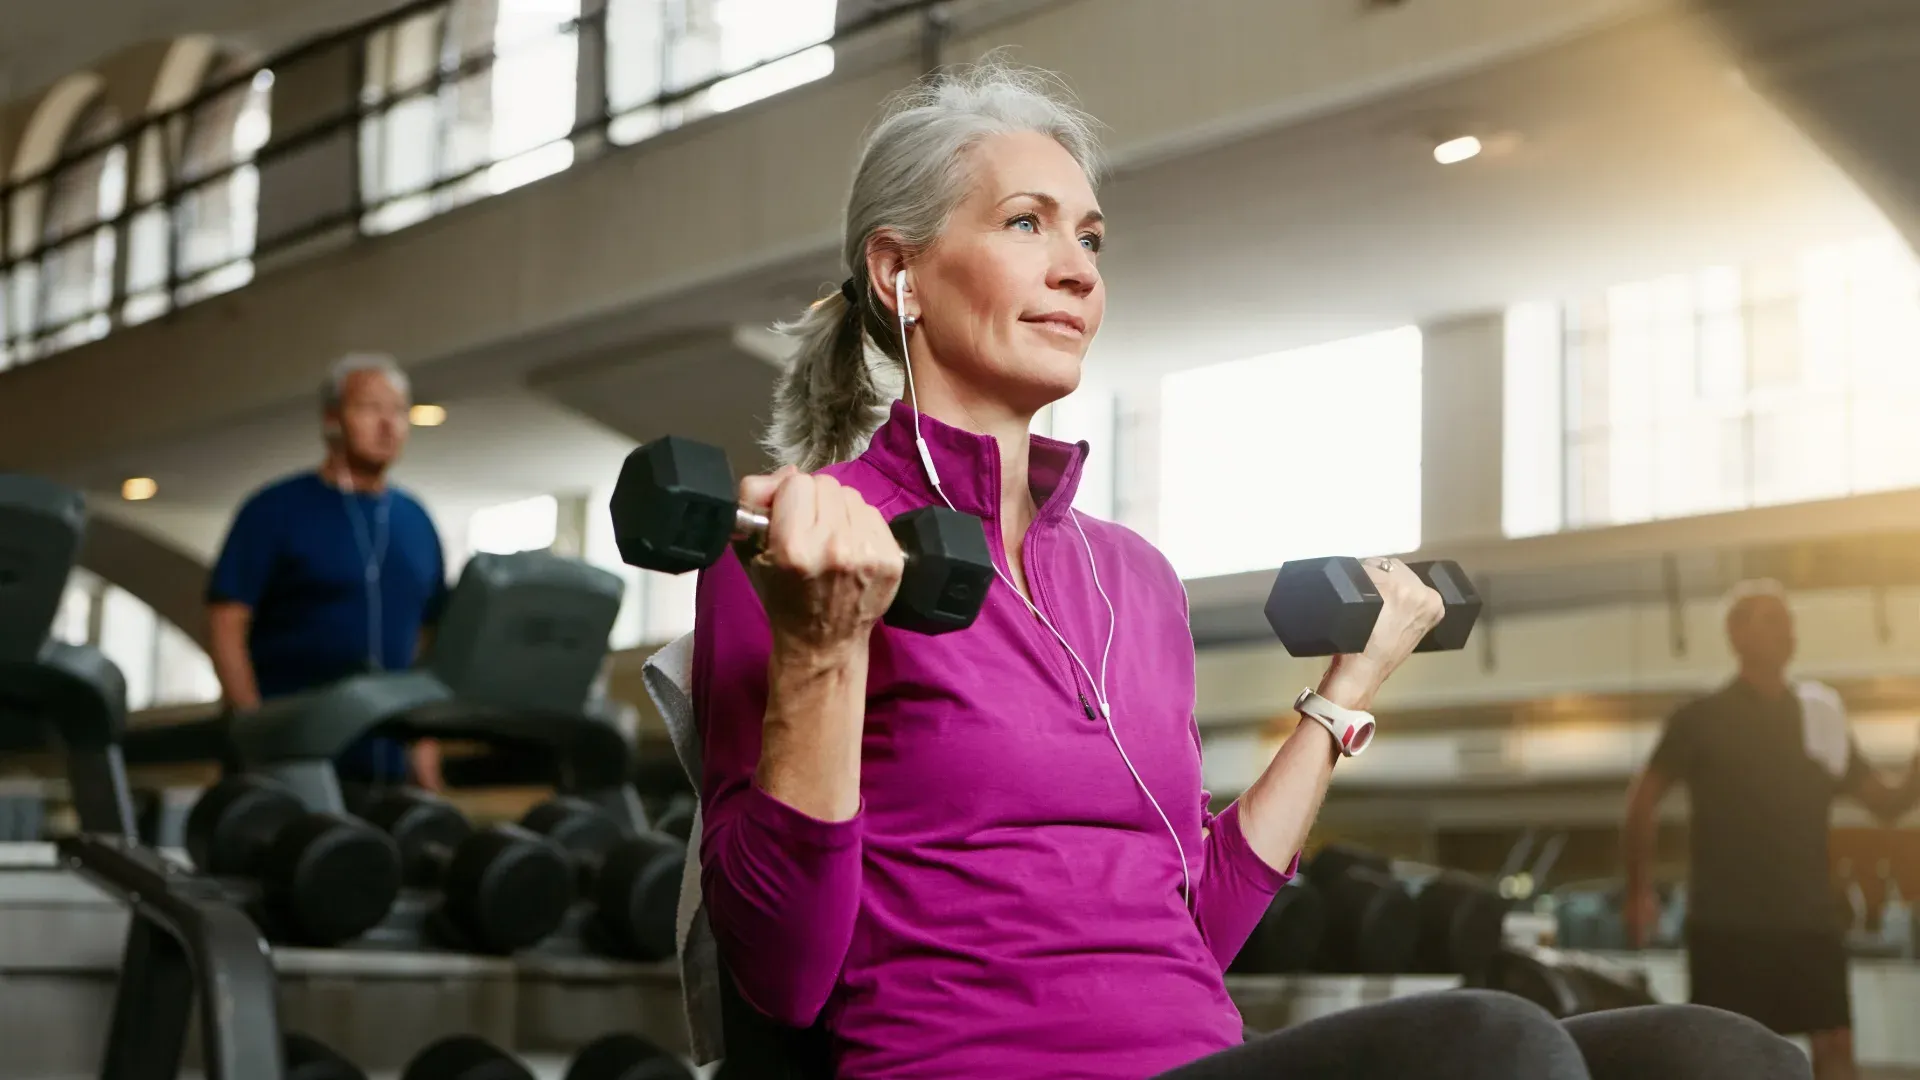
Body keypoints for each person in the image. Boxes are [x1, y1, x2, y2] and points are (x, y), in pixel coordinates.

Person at [691, 59, 1808, 1080]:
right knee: (1496, 1046)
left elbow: (1194, 931)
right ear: (902, 273)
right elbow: (781, 977)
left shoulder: (1133, 579)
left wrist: (1343, 696)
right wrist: (824, 649)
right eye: (1027, 224)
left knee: (1721, 1056)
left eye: (1091, 238)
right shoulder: (803, 546)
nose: (1075, 271)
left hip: (1192, 1060)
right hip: (978, 1066)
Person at [1625, 579, 1920, 1080]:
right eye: (1773, 620)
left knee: (1835, 1045)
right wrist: (1637, 891)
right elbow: (1642, 801)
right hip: (1727, 924)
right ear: (1737, 635)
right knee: (1725, 1054)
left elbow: (1886, 804)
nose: (1788, 632)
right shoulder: (1700, 719)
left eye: (1790, 622)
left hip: (1809, 920)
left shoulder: (1820, 719)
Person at [206, 353, 451, 792]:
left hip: (387, 766)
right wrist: (252, 729)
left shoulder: (417, 521)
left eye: (398, 411)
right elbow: (227, 622)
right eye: (370, 408)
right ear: (332, 419)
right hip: (291, 758)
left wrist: (425, 744)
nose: (388, 424)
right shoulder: (275, 510)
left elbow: (428, 641)